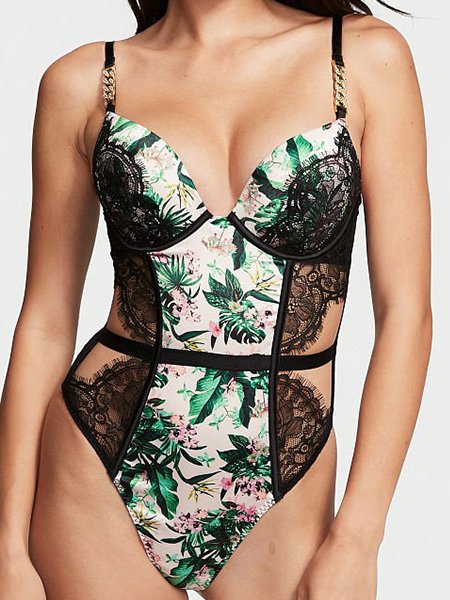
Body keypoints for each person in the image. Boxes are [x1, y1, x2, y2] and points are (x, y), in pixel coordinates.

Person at [0, 1, 432, 599]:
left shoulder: (360, 57)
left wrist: (359, 536)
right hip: (99, 462)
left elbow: (407, 315)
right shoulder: (85, 82)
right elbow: (46, 321)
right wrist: (7, 548)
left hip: (283, 472)